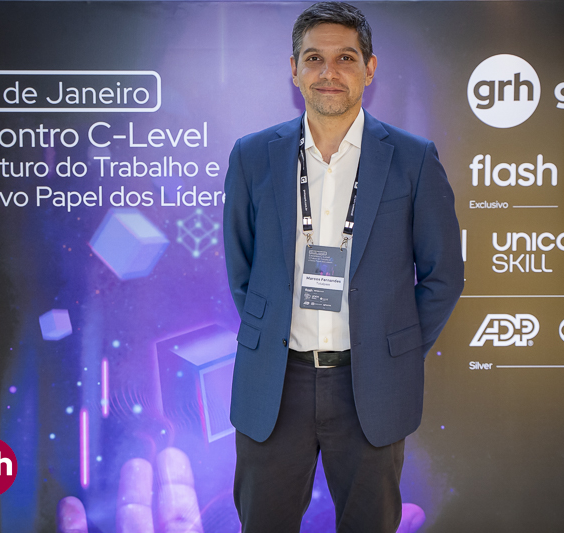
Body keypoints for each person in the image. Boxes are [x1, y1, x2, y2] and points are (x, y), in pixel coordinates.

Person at [223, 2, 464, 532]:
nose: (328, 72)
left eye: (345, 58)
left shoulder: (413, 159)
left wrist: (392, 348)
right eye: (314, 58)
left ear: (369, 68)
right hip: (275, 386)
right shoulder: (253, 155)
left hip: (370, 387)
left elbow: (444, 275)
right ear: (294, 69)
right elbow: (242, 270)